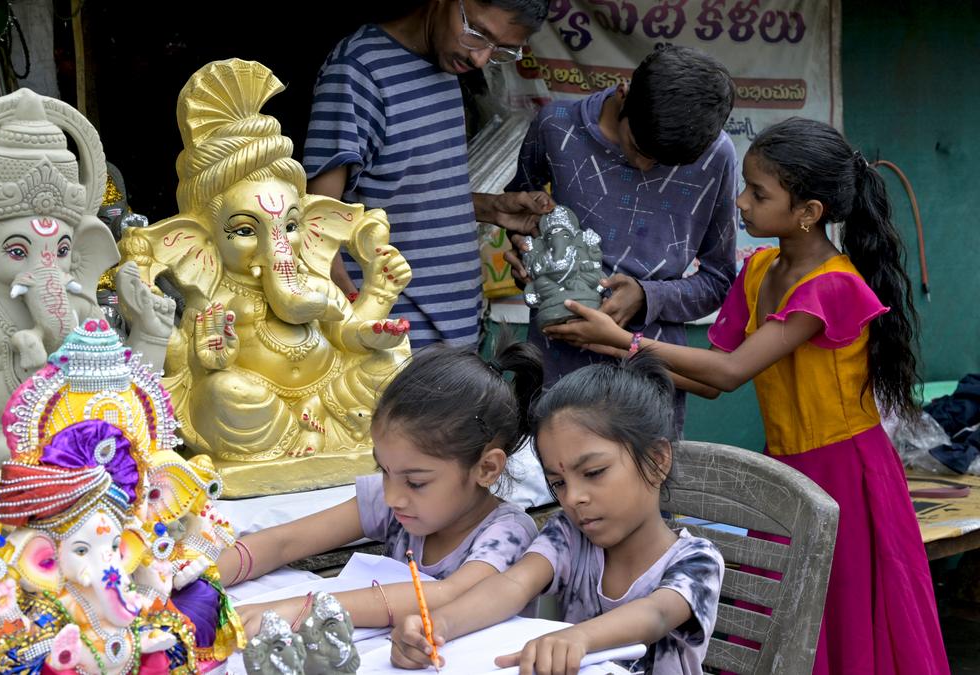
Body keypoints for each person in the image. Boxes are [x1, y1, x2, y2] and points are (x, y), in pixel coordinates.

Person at [554, 117, 949, 673]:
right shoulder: (761, 269)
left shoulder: (833, 286)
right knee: (787, 622)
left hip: (847, 474)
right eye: (745, 185)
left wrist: (623, 339)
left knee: (842, 620)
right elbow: (711, 380)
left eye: (758, 193)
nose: (740, 201)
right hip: (787, 468)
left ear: (809, 212)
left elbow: (731, 372)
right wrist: (618, 353)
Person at [391, 353, 724, 674]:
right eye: (558, 482)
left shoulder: (697, 560)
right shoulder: (569, 534)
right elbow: (512, 585)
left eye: (594, 472)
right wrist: (439, 623)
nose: (573, 497)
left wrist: (579, 637)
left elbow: (656, 615)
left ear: (657, 460)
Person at [476, 44, 738, 430]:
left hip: (647, 387)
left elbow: (718, 282)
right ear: (623, 94)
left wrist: (648, 296)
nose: (645, 165)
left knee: (639, 488)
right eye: (639, 149)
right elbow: (520, 219)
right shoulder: (556, 126)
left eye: (663, 164)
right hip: (551, 371)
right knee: (544, 484)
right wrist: (524, 254)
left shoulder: (716, 155)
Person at [216, 337, 543, 635]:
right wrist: (204, 576)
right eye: (383, 470)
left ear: (486, 469)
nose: (391, 496)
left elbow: (448, 595)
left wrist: (300, 609)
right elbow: (285, 542)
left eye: (416, 482)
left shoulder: (508, 532)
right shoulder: (400, 501)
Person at [303, 0, 549, 347]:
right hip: (395, 347)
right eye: (477, 32)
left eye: (501, 50)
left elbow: (402, 191)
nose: (480, 58)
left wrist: (491, 208)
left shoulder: (447, 66)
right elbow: (317, 225)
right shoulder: (359, 71)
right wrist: (358, 323)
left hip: (455, 340)